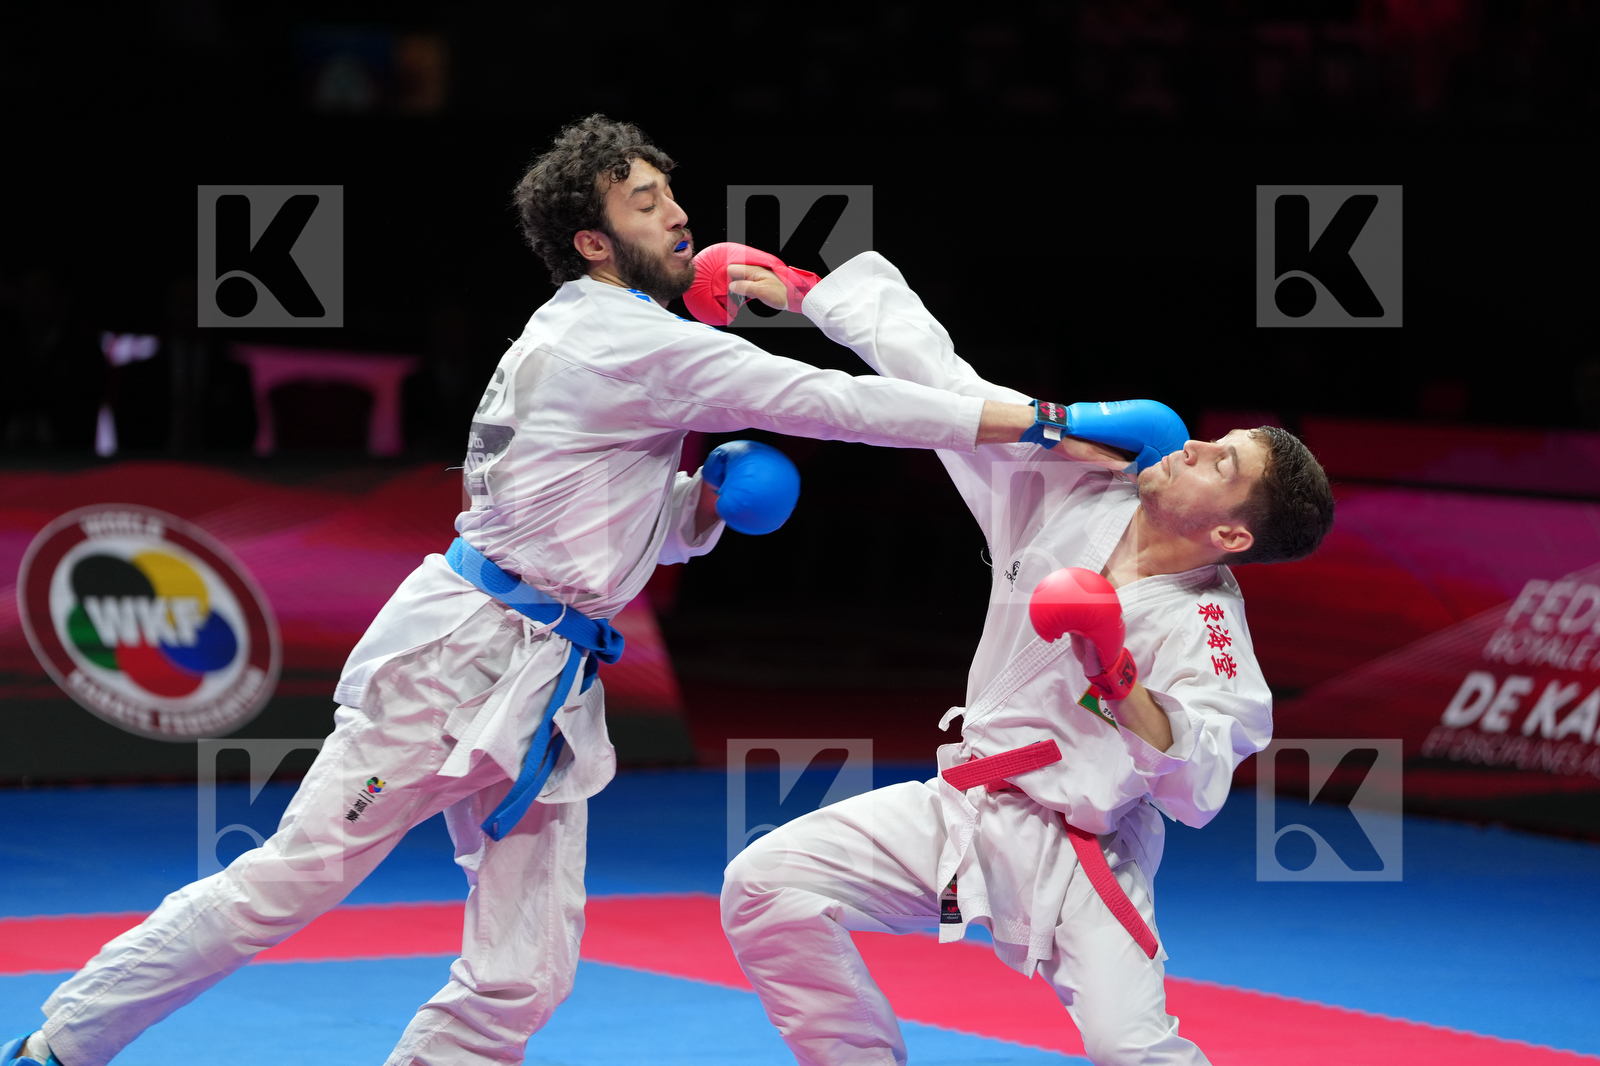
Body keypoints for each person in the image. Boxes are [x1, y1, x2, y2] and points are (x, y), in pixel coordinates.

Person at [4, 116, 1072, 1066]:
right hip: (455, 659)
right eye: (645, 203)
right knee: (287, 883)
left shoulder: (593, 332)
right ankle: (64, 1042)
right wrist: (1040, 422)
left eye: (672, 193)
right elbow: (836, 403)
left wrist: (699, 504)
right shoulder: (624, 339)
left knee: (525, 969)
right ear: (594, 241)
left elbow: (587, 521)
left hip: (548, 676)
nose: (679, 215)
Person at [720, 253, 1336, 1066]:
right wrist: (812, 295)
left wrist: (1114, 671)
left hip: (1088, 850)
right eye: (1213, 440)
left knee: (1128, 1048)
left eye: (1222, 463)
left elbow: (1196, 782)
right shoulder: (1065, 487)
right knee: (765, 884)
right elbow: (944, 384)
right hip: (967, 806)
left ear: (1231, 534)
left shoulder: (1208, 629)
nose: (1194, 446)